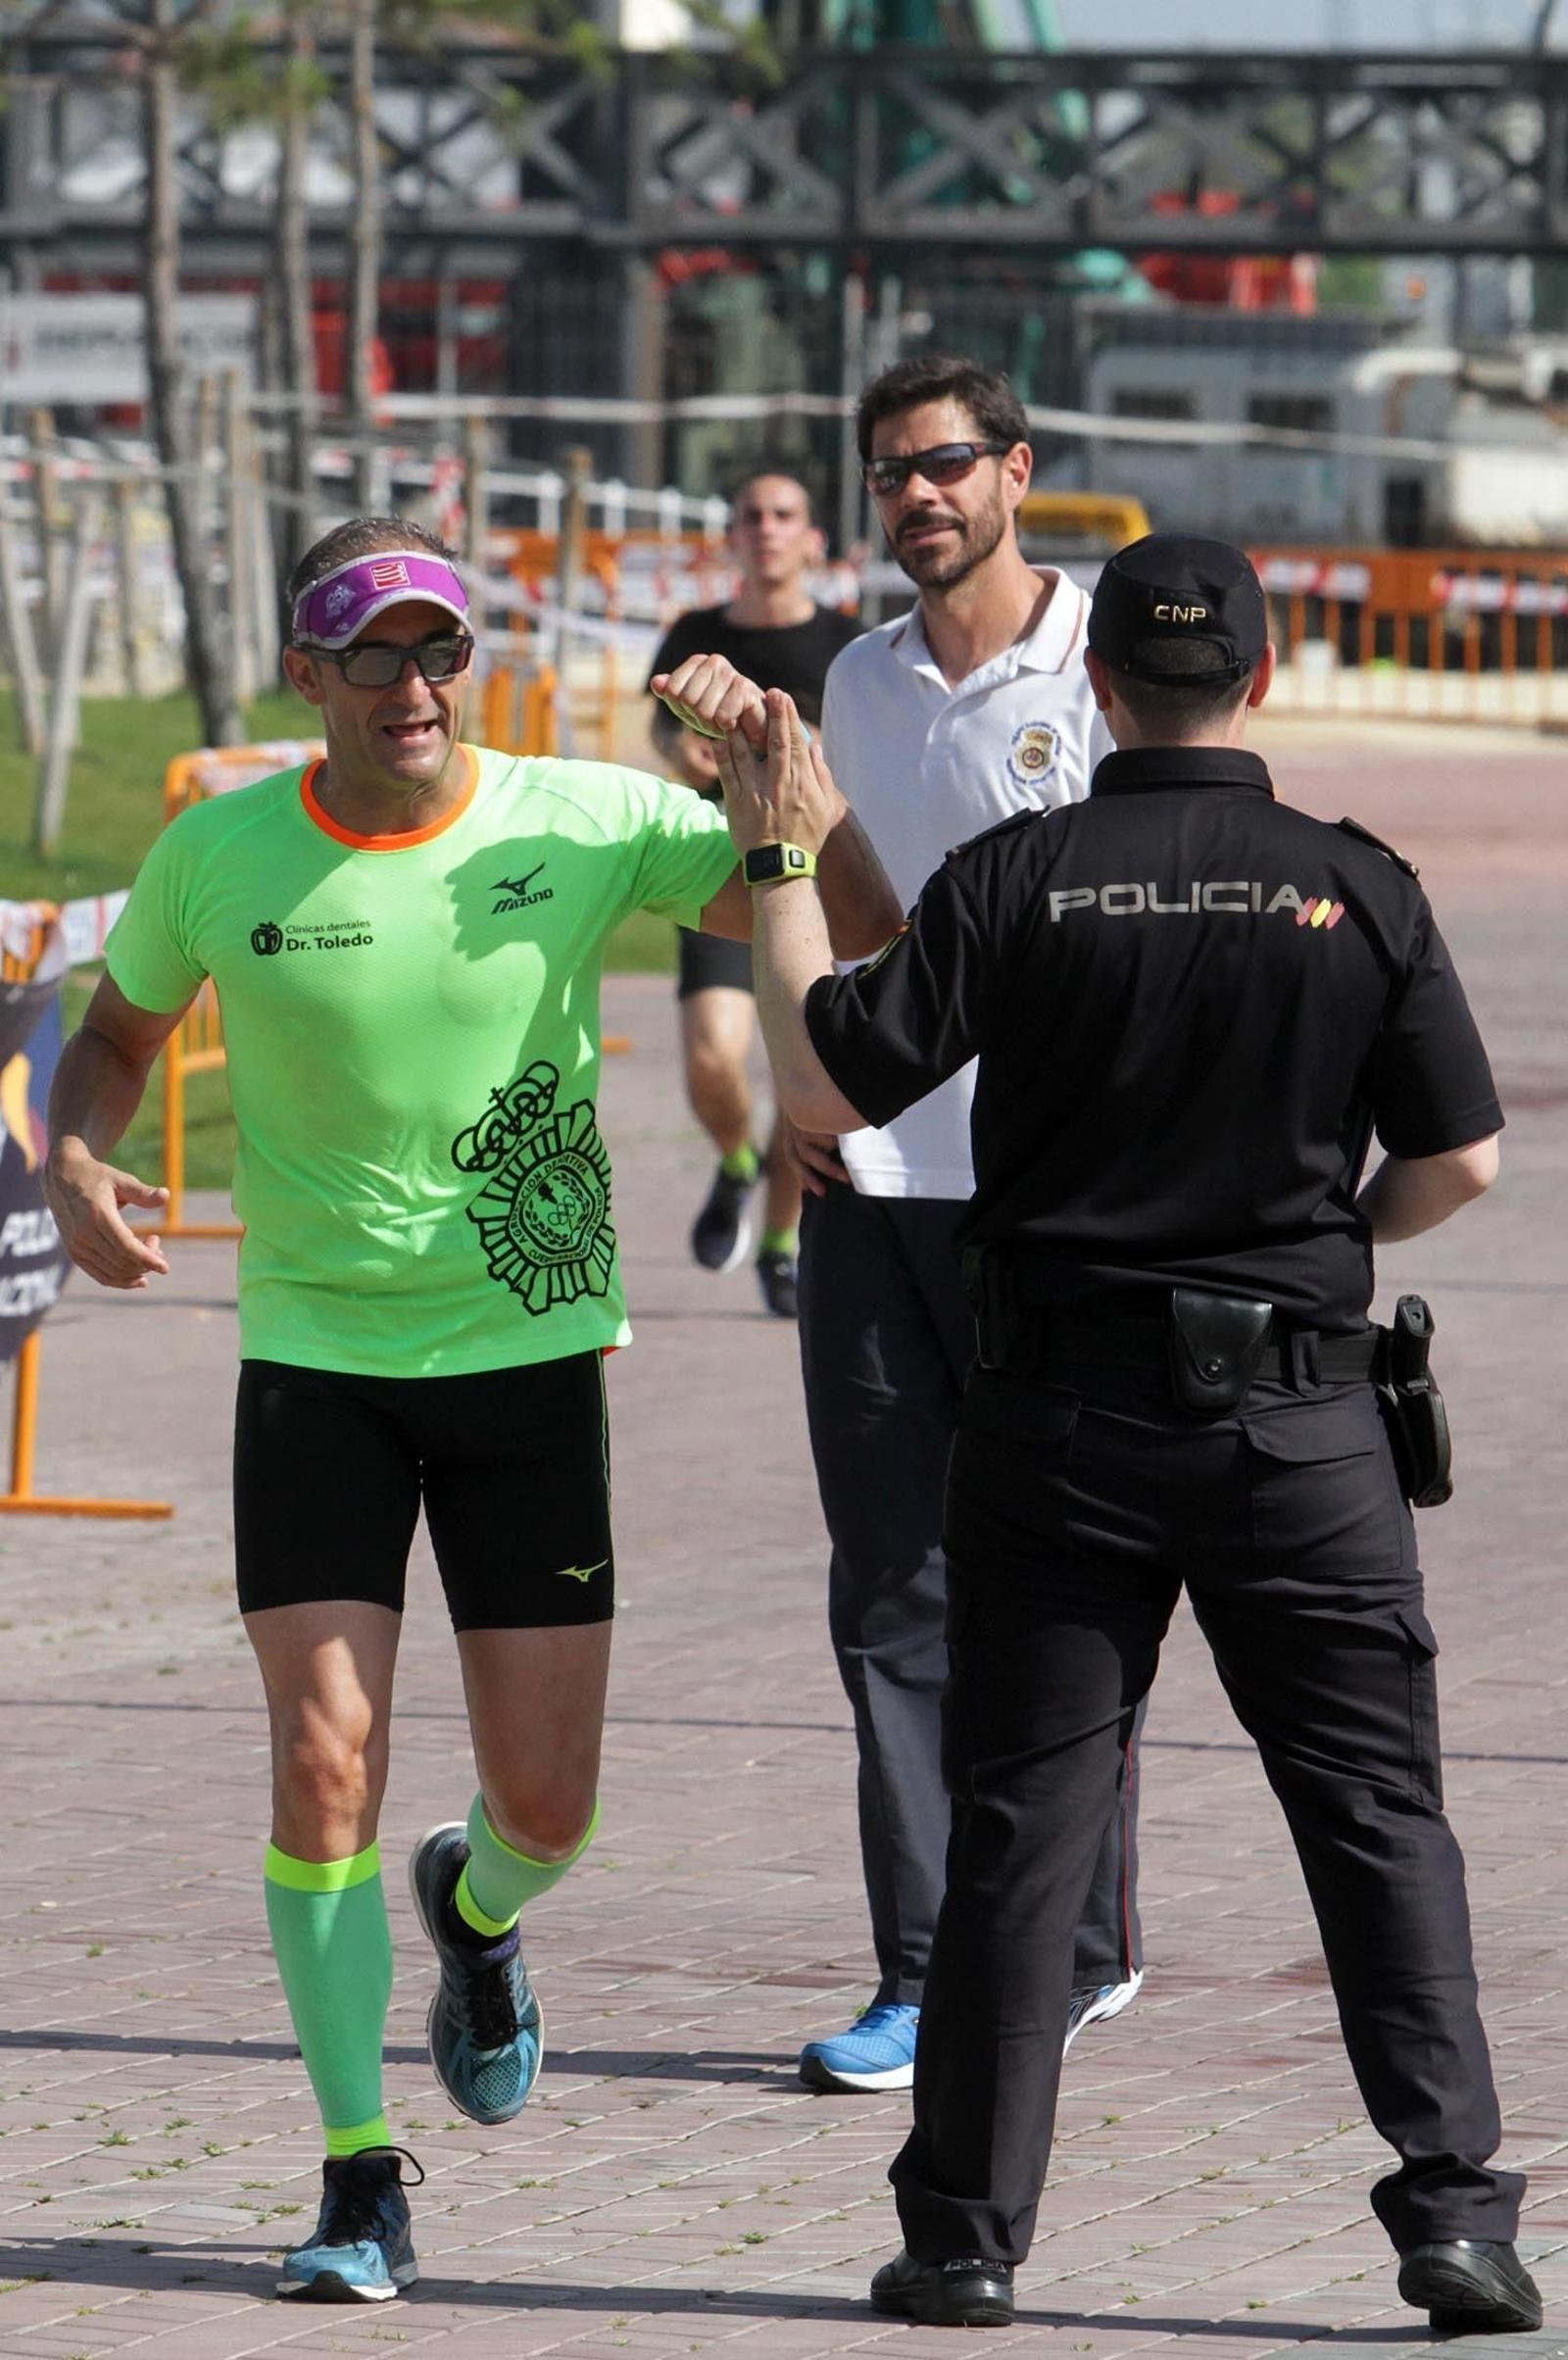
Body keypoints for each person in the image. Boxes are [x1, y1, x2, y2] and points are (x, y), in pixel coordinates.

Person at [42, 517, 900, 2308]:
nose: (418, 685)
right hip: (313, 1365)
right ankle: (361, 2169)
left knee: (549, 1799)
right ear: (310, 678)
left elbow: (857, 909)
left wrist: (775, 778)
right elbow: (116, 1038)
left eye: (442, 651)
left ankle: (482, 1909)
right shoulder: (218, 851)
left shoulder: (580, 822)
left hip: (526, 1364)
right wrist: (73, 1154)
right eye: (377, 654)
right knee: (320, 1757)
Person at [712, 536, 1541, 2336]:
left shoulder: (1026, 875)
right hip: (1304, 1424)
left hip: (1061, 1418)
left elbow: (826, 1083)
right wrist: (1323, 1258)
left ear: (1101, 686)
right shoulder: (1353, 885)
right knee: (1378, 1815)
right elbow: (1464, 1156)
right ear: (1261, 676)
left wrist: (783, 853)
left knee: (1023, 1828)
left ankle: (967, 2239)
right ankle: (1457, 2217)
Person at [657, 358, 1144, 2097]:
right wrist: (758, 779)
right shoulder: (855, 678)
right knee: (891, 1594)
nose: (917, 495)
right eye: (890, 473)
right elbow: (855, 911)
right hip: (870, 1189)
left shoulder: (1103, 664)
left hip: (1056, 1195)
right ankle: (927, 1970)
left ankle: (1079, 1945)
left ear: (1019, 470)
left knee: (1064, 1581)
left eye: (946, 464)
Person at [648, 468, 861, 1317]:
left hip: (811, 876)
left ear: (811, 538)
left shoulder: (851, 643)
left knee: (797, 1077)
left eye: (784, 514)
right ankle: (735, 1160)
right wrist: (680, 749)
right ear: (731, 536)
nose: (767, 528)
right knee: (710, 1057)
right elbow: (663, 723)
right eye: (751, 515)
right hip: (714, 868)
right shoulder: (696, 631)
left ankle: (780, 1244)